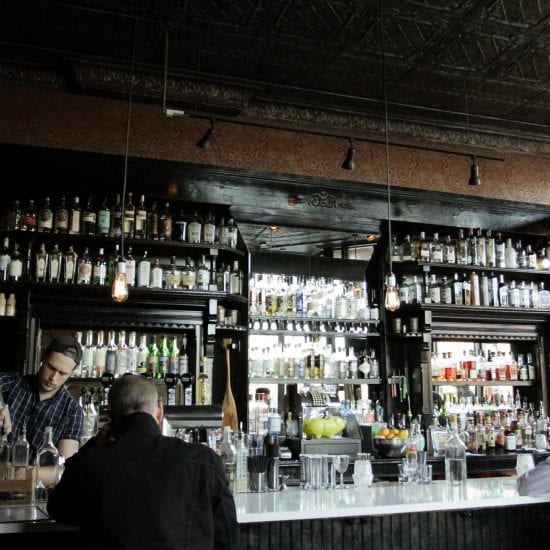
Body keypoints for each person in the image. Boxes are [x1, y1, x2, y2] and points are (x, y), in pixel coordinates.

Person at [47, 374, 241, 550]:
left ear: (109, 416)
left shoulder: (90, 463)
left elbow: (58, 509)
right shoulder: (203, 460)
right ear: (159, 411)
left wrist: (93, 444)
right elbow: (228, 538)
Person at [0, 335, 83, 462]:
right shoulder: (13, 384)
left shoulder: (72, 410)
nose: (53, 378)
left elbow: (64, 467)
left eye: (62, 373)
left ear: (73, 371)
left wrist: (22, 472)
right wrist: (1, 406)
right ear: (43, 357)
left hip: (37, 475)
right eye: (51, 367)